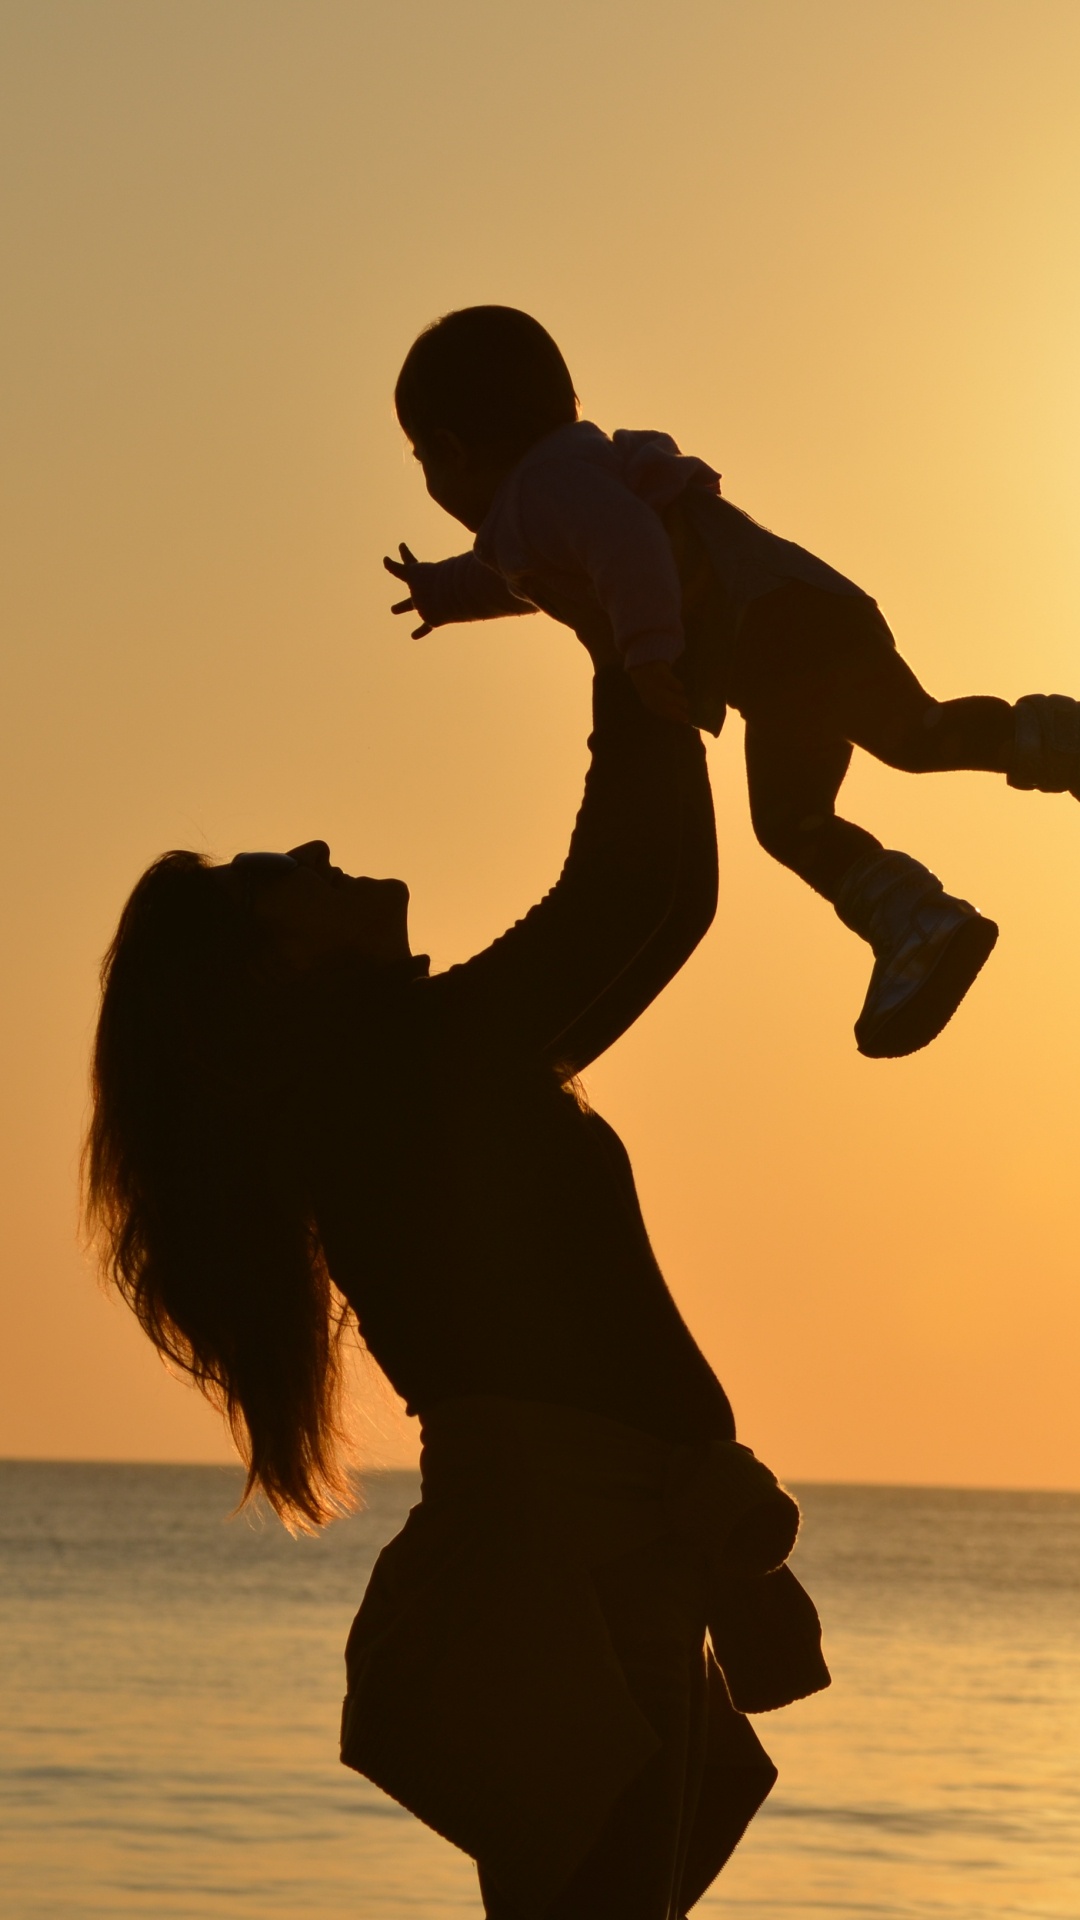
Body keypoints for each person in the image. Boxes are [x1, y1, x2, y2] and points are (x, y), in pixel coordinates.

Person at [85, 655, 829, 1919]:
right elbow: (634, 895)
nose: (319, 847)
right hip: (567, 1572)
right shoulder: (406, 1075)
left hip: (604, 1562)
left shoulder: (428, 1074)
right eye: (283, 880)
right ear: (277, 971)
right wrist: (621, 632)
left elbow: (664, 909)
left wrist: (643, 659)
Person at [386, 304, 1080, 1059]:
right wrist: (441, 594)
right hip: (788, 639)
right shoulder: (559, 483)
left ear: (449, 449)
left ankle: (923, 917)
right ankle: (929, 911)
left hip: (782, 627)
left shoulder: (541, 491)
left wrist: (648, 653)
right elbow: (521, 574)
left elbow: (626, 543)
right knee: (869, 766)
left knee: (876, 760)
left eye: (422, 459)